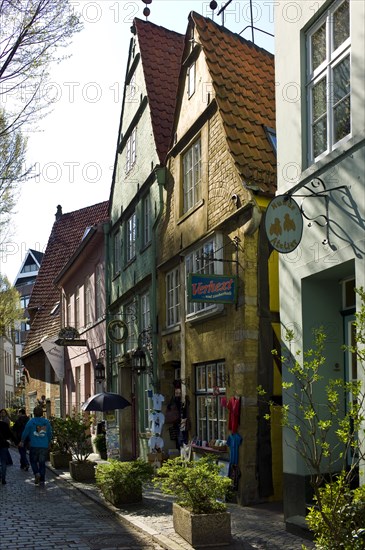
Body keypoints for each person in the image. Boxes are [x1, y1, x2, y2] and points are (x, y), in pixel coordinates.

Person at [19, 406, 52, 485]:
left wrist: (22, 441)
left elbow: (25, 432)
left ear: (34, 413)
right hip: (43, 445)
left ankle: (36, 473)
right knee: (42, 463)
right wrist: (49, 442)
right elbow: (49, 433)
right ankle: (42, 480)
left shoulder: (31, 422)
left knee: (33, 461)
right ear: (42, 413)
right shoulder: (46, 422)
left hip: (34, 445)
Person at [0, 420, 16, 484]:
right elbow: (10, 433)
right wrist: (16, 441)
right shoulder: (4, 424)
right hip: (4, 445)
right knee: (3, 462)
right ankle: (3, 478)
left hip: (3, 444)